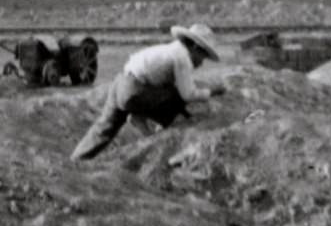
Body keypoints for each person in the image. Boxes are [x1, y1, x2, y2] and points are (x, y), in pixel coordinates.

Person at [71, 23, 222, 160]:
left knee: (103, 129)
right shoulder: (182, 58)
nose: (202, 63)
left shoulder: (168, 49)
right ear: (195, 48)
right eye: (203, 57)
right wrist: (211, 92)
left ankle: (77, 159)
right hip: (135, 92)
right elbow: (187, 94)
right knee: (178, 97)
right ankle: (148, 123)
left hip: (119, 82)